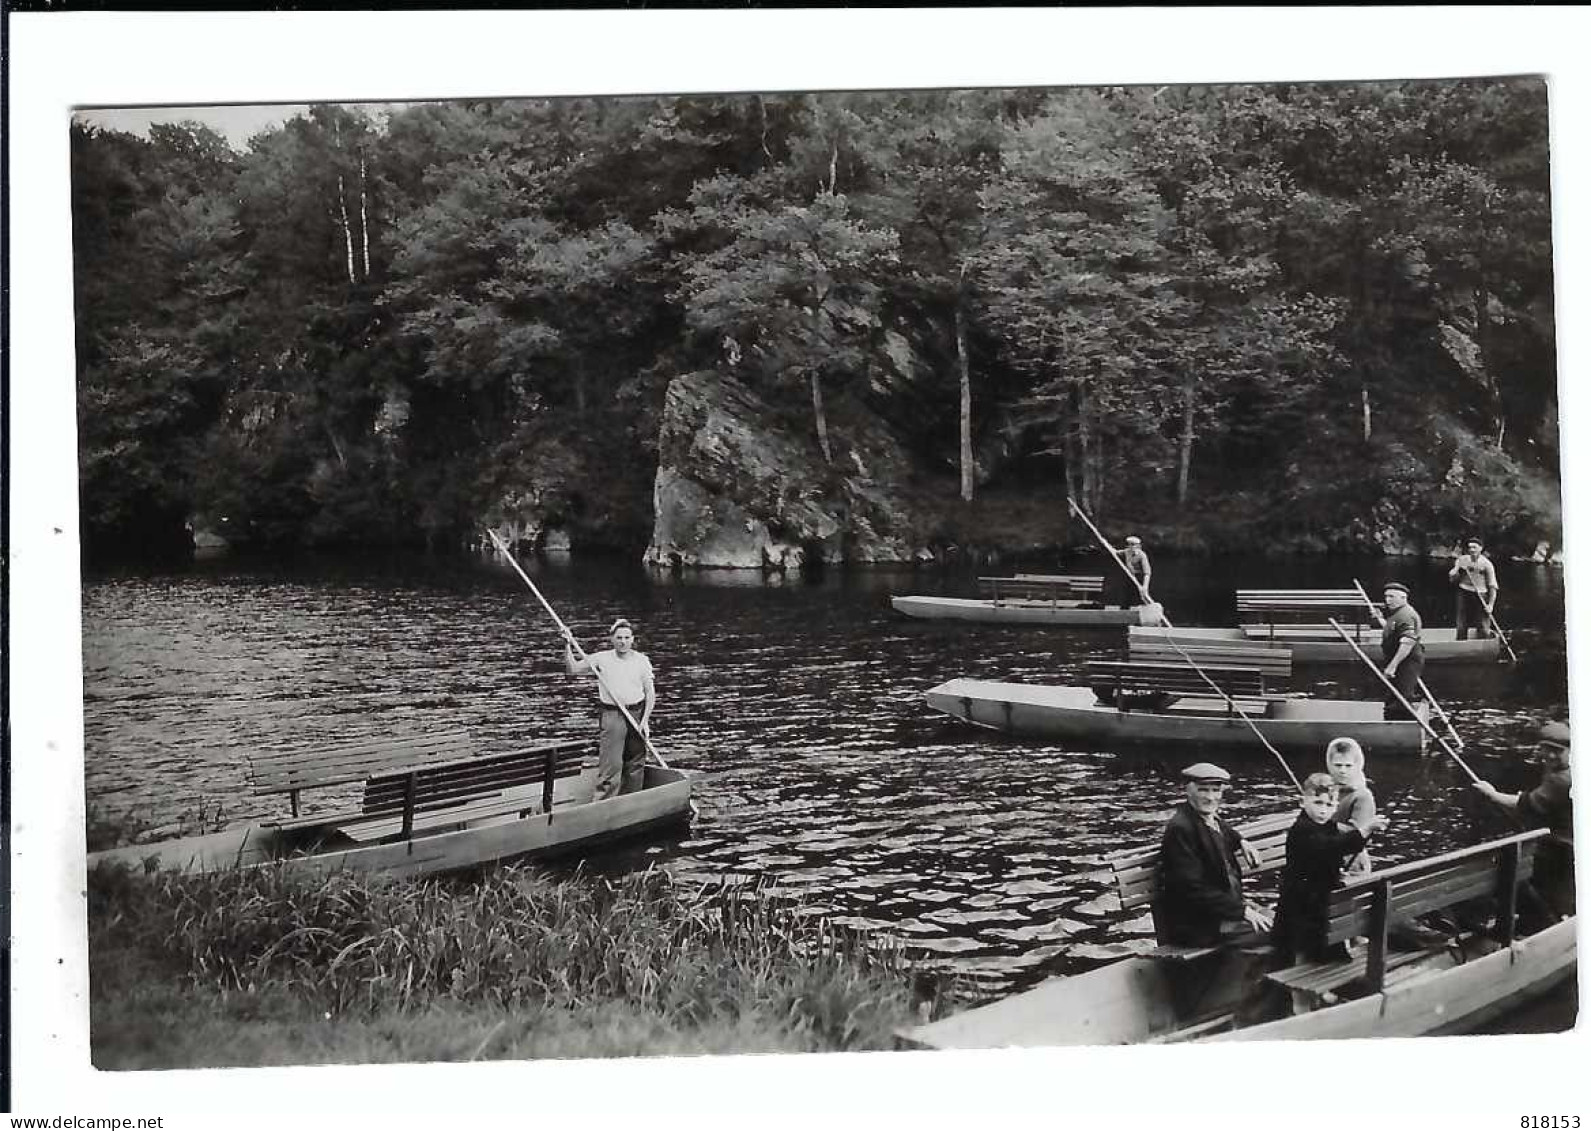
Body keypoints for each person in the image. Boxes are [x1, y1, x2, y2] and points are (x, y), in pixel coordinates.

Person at [1151, 762, 1273, 947]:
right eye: (1203, 790)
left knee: (1287, 918)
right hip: (1200, 925)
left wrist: (1241, 841)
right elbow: (1193, 888)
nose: (1211, 797)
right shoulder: (1181, 830)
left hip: (1223, 912)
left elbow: (1220, 826)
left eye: (1216, 790)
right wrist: (1243, 912)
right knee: (1281, 929)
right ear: (1188, 790)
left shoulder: (1205, 817)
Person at [1271, 773, 1386, 965]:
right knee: (1311, 941)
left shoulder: (1328, 825)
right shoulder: (1301, 829)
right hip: (1300, 906)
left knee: (1333, 928)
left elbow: (1343, 848)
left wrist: (1367, 833)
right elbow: (1329, 846)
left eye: (1329, 805)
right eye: (1317, 803)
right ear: (1303, 802)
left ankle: (1333, 961)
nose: (1323, 810)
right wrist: (1364, 830)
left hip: (1322, 898)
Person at [1474, 719, 1575, 925]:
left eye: (1558, 751)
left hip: (1560, 848)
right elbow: (1539, 801)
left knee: (1516, 876)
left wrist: (1492, 794)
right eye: (1546, 749)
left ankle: (1542, 923)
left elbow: (1523, 803)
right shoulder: (1561, 771)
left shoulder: (1563, 779)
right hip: (1560, 843)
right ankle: (1544, 919)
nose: (1550, 755)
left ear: (1570, 750)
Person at [563, 618, 656, 799]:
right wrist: (567, 645)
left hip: (637, 713)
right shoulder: (602, 658)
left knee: (635, 764)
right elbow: (573, 669)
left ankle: (631, 803)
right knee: (611, 766)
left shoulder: (641, 661)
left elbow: (650, 693)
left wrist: (645, 721)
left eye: (627, 637)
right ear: (612, 639)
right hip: (613, 714)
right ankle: (603, 805)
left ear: (632, 639)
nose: (623, 642)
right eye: (619, 637)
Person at [1325, 737, 1376, 877]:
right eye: (1337, 765)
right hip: (1326, 856)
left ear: (1357, 765)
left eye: (1348, 766)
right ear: (1329, 764)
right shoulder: (1325, 790)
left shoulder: (1362, 795)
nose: (1342, 771)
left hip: (1351, 861)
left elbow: (1360, 832)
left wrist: (1323, 824)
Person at [1379, 582, 1424, 721]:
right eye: (1386, 597)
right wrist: (1379, 618)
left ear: (1403, 598)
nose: (1388, 600)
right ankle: (1391, 723)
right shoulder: (1397, 614)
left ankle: (1402, 728)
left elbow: (1407, 643)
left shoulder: (1406, 615)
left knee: (1401, 698)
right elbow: (1393, 629)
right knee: (1392, 695)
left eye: (1392, 597)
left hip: (1406, 660)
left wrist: (1392, 666)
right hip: (1399, 659)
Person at [1448, 539, 1499, 641]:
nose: (1471, 550)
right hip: (1464, 591)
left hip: (1481, 593)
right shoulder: (1462, 560)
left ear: (1481, 548)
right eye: (1470, 547)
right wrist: (1453, 573)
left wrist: (1490, 605)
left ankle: (1484, 641)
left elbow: (1493, 586)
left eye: (1474, 547)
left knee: (1482, 621)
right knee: (1462, 621)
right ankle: (1461, 641)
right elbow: (1453, 579)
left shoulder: (1486, 564)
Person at [1107, 535, 1153, 609]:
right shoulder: (1127, 551)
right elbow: (1115, 552)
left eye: (1133, 545)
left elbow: (1147, 573)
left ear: (1138, 546)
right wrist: (1106, 544)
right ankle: (1124, 611)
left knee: (1140, 596)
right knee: (1126, 596)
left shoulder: (1142, 555)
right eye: (1129, 544)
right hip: (1129, 577)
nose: (1130, 547)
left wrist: (1145, 586)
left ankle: (1145, 608)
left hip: (1139, 578)